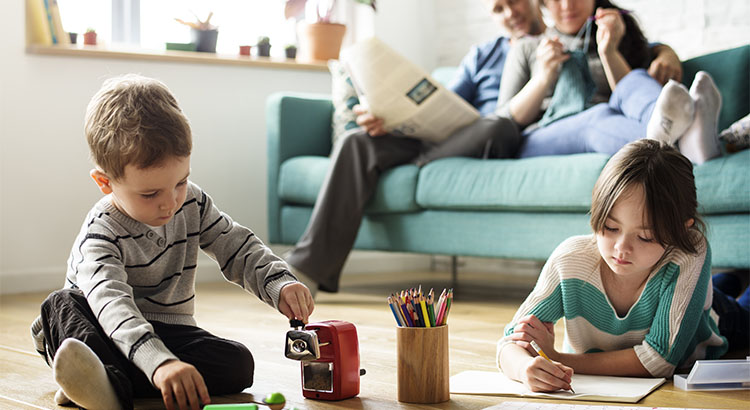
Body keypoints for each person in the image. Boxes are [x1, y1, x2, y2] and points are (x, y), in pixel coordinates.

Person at [285, 0, 684, 295]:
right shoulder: (487, 53)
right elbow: (442, 101)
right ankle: (307, 269)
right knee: (358, 141)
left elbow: (513, 118)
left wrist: (664, 51)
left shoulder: (562, 43)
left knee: (496, 125)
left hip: (494, 134)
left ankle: (424, 165)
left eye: (515, 3)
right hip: (442, 136)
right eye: (499, 7)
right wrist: (388, 115)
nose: (509, 12)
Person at [29, 75, 314, 410]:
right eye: (150, 193)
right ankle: (97, 373)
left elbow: (236, 246)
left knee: (238, 364)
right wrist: (161, 364)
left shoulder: (191, 203)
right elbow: (113, 306)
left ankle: (104, 385)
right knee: (62, 303)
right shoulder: (100, 234)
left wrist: (278, 282)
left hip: (166, 330)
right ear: (105, 182)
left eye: (181, 182)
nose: (170, 202)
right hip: (103, 329)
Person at [496, 139, 735, 392]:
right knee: (721, 287)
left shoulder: (689, 249)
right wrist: (524, 368)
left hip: (712, 319)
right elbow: (509, 342)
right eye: (610, 228)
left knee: (736, 307)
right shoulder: (569, 261)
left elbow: (659, 361)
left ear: (682, 230)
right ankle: (731, 279)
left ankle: (734, 281)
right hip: (677, 295)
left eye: (645, 236)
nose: (622, 248)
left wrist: (559, 359)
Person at [496, 0, 721, 164]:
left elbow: (627, 96)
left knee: (634, 79)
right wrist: (543, 78)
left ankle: (685, 135)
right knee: (597, 117)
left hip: (613, 124)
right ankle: (687, 140)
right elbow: (504, 123)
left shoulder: (618, 34)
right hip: (540, 137)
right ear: (543, 4)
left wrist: (609, 52)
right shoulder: (528, 48)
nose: (567, 5)